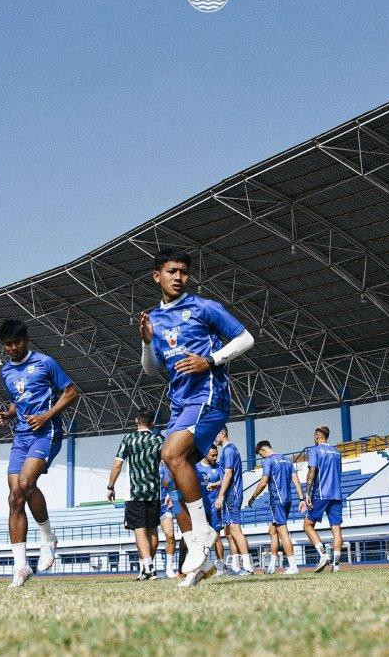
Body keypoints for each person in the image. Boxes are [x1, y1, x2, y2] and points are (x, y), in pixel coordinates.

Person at [140, 248, 255, 588]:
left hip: (208, 397)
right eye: (172, 271)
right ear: (156, 276)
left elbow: (246, 338)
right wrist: (146, 343)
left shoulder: (204, 307)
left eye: (184, 272)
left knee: (170, 454)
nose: (179, 277)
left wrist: (211, 360)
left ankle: (202, 533)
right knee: (176, 476)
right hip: (179, 403)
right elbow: (150, 370)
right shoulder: (154, 321)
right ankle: (199, 562)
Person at [0, 319, 79, 587]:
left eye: (17, 342)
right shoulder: (6, 371)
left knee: (26, 483)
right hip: (21, 435)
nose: (13, 348)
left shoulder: (45, 362)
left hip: (46, 431)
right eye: (8, 344)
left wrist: (47, 415)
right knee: (14, 497)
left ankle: (48, 538)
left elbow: (71, 391)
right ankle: (20, 567)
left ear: (26, 340)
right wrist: (8, 414)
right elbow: (18, 402)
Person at [105, 410, 163, 581]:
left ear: (137, 421)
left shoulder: (129, 439)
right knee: (152, 529)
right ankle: (146, 568)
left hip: (134, 492)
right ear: (152, 423)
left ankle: (149, 568)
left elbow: (117, 465)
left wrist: (110, 486)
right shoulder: (159, 440)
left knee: (139, 529)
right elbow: (167, 463)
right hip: (154, 491)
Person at [247, 441, 305, 575]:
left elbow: (263, 482)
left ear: (263, 450)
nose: (262, 457)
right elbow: (296, 481)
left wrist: (253, 497)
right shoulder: (286, 460)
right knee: (273, 532)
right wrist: (301, 499)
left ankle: (293, 566)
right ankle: (272, 566)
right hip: (287, 501)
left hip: (277, 501)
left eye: (261, 455)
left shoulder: (269, 461)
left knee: (283, 534)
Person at [302, 426, 344, 572]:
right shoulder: (337, 452)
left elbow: (312, 470)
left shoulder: (315, 450)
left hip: (320, 493)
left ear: (317, 436)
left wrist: (307, 493)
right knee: (337, 529)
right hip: (336, 494)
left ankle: (323, 555)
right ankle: (337, 565)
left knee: (307, 525)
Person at [214, 427, 253, 575]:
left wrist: (221, 495)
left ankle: (248, 567)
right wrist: (217, 484)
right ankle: (237, 566)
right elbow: (228, 475)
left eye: (215, 435)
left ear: (222, 434)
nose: (214, 439)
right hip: (231, 494)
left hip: (232, 495)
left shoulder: (228, 450)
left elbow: (229, 473)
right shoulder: (231, 449)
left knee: (236, 530)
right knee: (230, 531)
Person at [195, 445, 227, 575]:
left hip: (215, 507)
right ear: (205, 454)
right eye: (212, 455)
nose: (215, 458)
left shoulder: (219, 467)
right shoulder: (196, 468)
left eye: (216, 455)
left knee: (217, 537)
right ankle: (205, 564)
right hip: (201, 507)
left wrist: (217, 484)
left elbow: (226, 480)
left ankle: (220, 566)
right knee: (202, 538)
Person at [157, 464, 181, 578]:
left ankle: (169, 568)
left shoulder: (168, 463)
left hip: (164, 505)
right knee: (150, 539)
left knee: (170, 535)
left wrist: (170, 494)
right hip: (149, 504)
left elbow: (177, 478)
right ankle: (146, 568)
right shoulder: (147, 461)